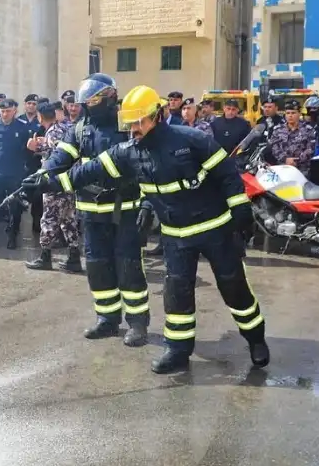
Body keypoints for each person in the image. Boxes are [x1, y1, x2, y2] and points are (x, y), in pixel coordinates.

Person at [24, 84, 270, 374]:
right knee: (176, 294)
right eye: (131, 124)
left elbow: (227, 174)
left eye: (141, 122)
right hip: (176, 236)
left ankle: (255, 339)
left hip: (215, 230)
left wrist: (239, 208)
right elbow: (90, 170)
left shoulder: (192, 140)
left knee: (234, 289)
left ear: (159, 114)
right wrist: (51, 182)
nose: (135, 129)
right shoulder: (129, 152)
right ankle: (178, 351)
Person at [31, 73, 149, 346]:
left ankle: (137, 323)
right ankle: (107, 320)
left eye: (96, 100)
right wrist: (41, 175)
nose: (89, 106)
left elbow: (146, 165)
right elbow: (60, 158)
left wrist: (148, 203)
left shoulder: (127, 125)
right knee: (98, 267)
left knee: (128, 267)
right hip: (91, 212)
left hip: (125, 211)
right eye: (88, 101)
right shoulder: (79, 129)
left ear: (110, 97)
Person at [24, 101, 81, 272]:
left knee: (48, 219)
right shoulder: (63, 128)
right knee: (68, 220)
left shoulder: (53, 132)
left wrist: (36, 147)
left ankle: (45, 257)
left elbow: (58, 158)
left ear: (40, 116)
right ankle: (74, 257)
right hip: (68, 183)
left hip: (55, 183)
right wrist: (42, 145)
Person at [0, 98, 32, 249]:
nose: (5, 114)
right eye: (2, 111)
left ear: (14, 111)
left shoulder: (23, 128)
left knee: (15, 207)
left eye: (8, 111)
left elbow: (28, 150)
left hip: (15, 173)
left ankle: (13, 237)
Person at [265, 100, 316, 175]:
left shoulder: (308, 129)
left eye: (293, 113)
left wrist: (296, 161)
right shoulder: (278, 129)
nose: (290, 115)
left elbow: (311, 149)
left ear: (299, 114)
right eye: (288, 113)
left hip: (302, 169)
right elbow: (274, 147)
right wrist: (285, 159)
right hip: (283, 168)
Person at [18, 94, 44, 233]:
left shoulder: (40, 122)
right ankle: (15, 223)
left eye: (34, 104)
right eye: (29, 103)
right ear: (25, 104)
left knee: (37, 195)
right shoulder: (19, 121)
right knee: (19, 193)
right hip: (22, 163)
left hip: (37, 163)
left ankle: (36, 222)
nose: (31, 106)